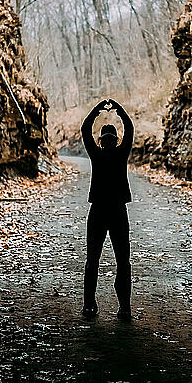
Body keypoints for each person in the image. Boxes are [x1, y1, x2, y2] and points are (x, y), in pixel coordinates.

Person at [81, 98, 134, 320]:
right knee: (123, 260)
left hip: (98, 211)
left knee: (92, 259)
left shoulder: (97, 155)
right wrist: (118, 109)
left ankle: (89, 305)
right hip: (118, 211)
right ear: (117, 140)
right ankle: (124, 307)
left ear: (101, 141)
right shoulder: (122, 154)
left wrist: (99, 109)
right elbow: (129, 127)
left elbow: (85, 129)